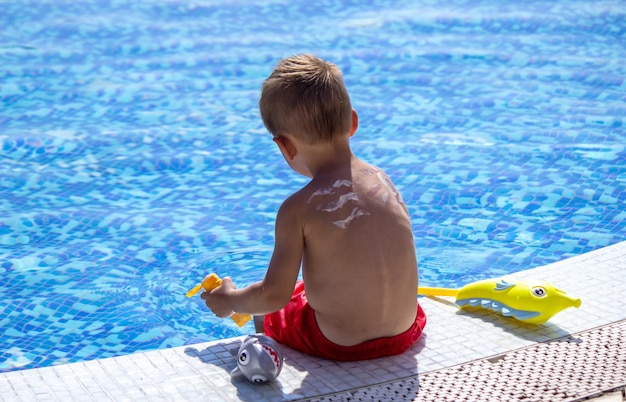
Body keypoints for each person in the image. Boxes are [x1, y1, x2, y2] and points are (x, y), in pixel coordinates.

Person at [201, 54, 426, 361]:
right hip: (407, 330)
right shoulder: (383, 180)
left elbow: (273, 296)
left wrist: (230, 301)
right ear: (353, 122)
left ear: (285, 146)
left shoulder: (297, 209)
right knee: (306, 287)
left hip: (338, 344)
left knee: (270, 311)